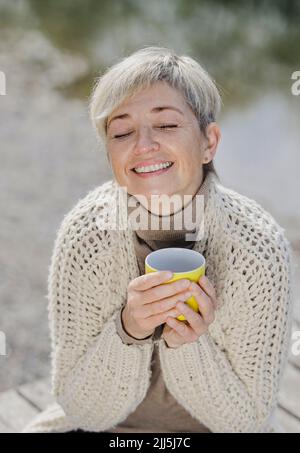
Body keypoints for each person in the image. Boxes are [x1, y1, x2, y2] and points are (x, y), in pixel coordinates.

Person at [23, 46, 294, 433]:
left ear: (209, 143)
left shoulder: (258, 247)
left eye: (166, 125)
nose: (143, 145)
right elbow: (81, 410)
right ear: (110, 153)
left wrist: (186, 342)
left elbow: (246, 422)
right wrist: (128, 328)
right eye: (121, 131)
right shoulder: (85, 234)